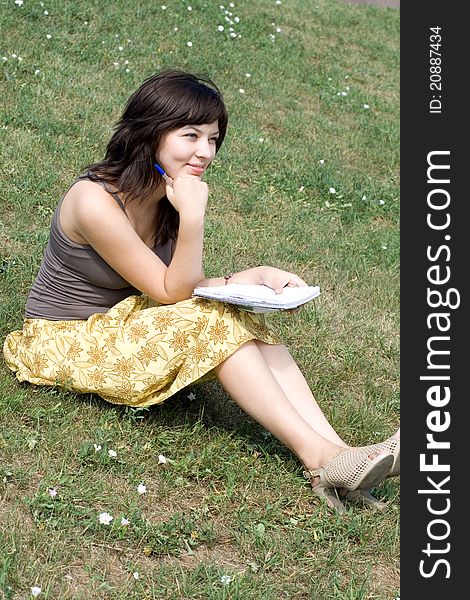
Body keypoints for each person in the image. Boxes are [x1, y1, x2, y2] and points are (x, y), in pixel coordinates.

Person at [2, 69, 399, 513]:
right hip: (63, 339)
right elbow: (171, 292)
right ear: (150, 131)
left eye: (212, 139)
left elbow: (179, 284)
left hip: (123, 322)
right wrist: (193, 219)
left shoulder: (165, 193)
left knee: (236, 312)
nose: (205, 152)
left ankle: (338, 451)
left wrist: (253, 277)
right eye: (191, 135)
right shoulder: (94, 200)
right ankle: (321, 459)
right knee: (211, 318)